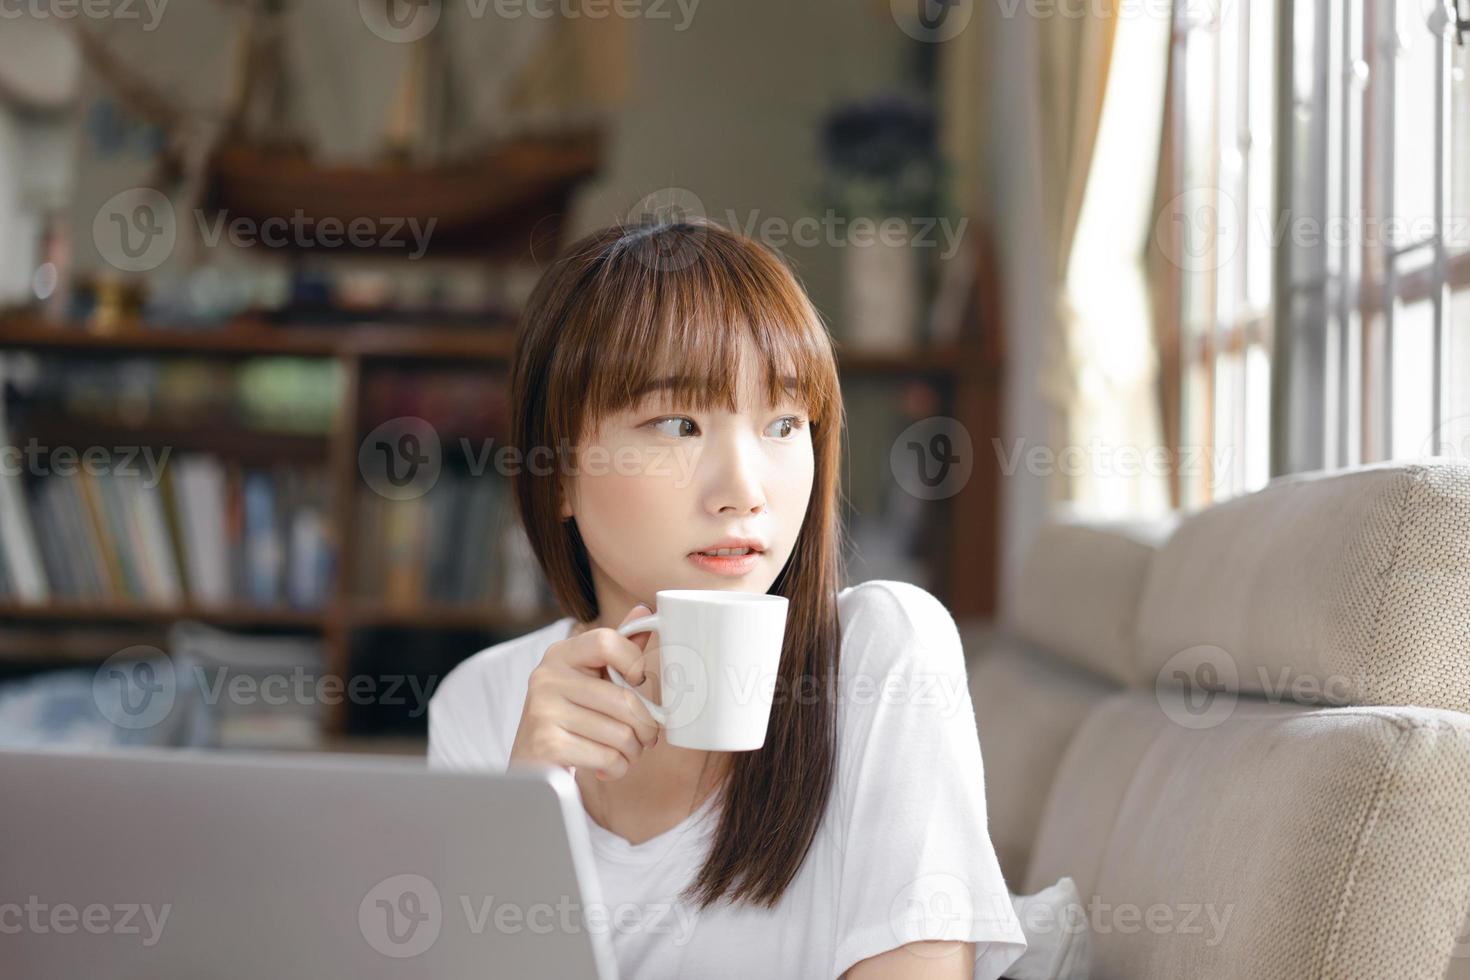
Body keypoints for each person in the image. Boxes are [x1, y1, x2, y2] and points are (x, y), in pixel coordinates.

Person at [428, 219, 1026, 978]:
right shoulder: (484, 706)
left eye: (783, 423)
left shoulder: (882, 652)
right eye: (678, 424)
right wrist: (515, 824)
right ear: (559, 473)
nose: (744, 491)